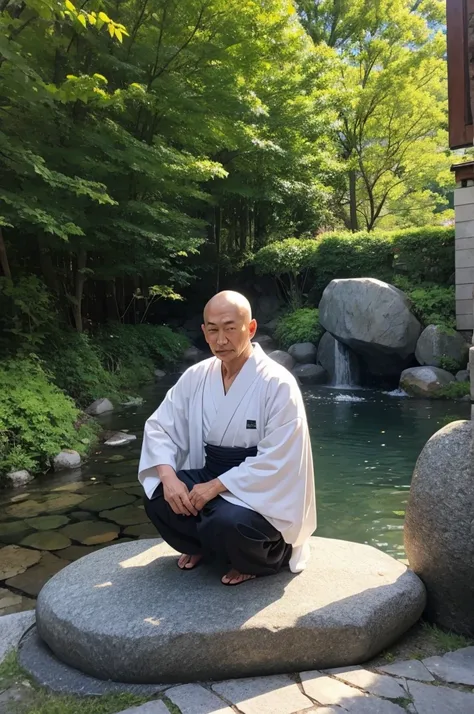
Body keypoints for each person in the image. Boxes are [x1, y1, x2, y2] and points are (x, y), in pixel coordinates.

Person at [138, 290, 316, 586]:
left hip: (260, 488)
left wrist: (217, 486)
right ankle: (204, 548)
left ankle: (268, 556)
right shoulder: (197, 376)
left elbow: (280, 459)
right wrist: (169, 477)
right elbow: (160, 426)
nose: (221, 340)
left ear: (251, 328)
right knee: (158, 496)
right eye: (213, 329)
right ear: (204, 331)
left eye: (230, 328)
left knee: (228, 522)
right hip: (211, 469)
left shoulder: (277, 383)